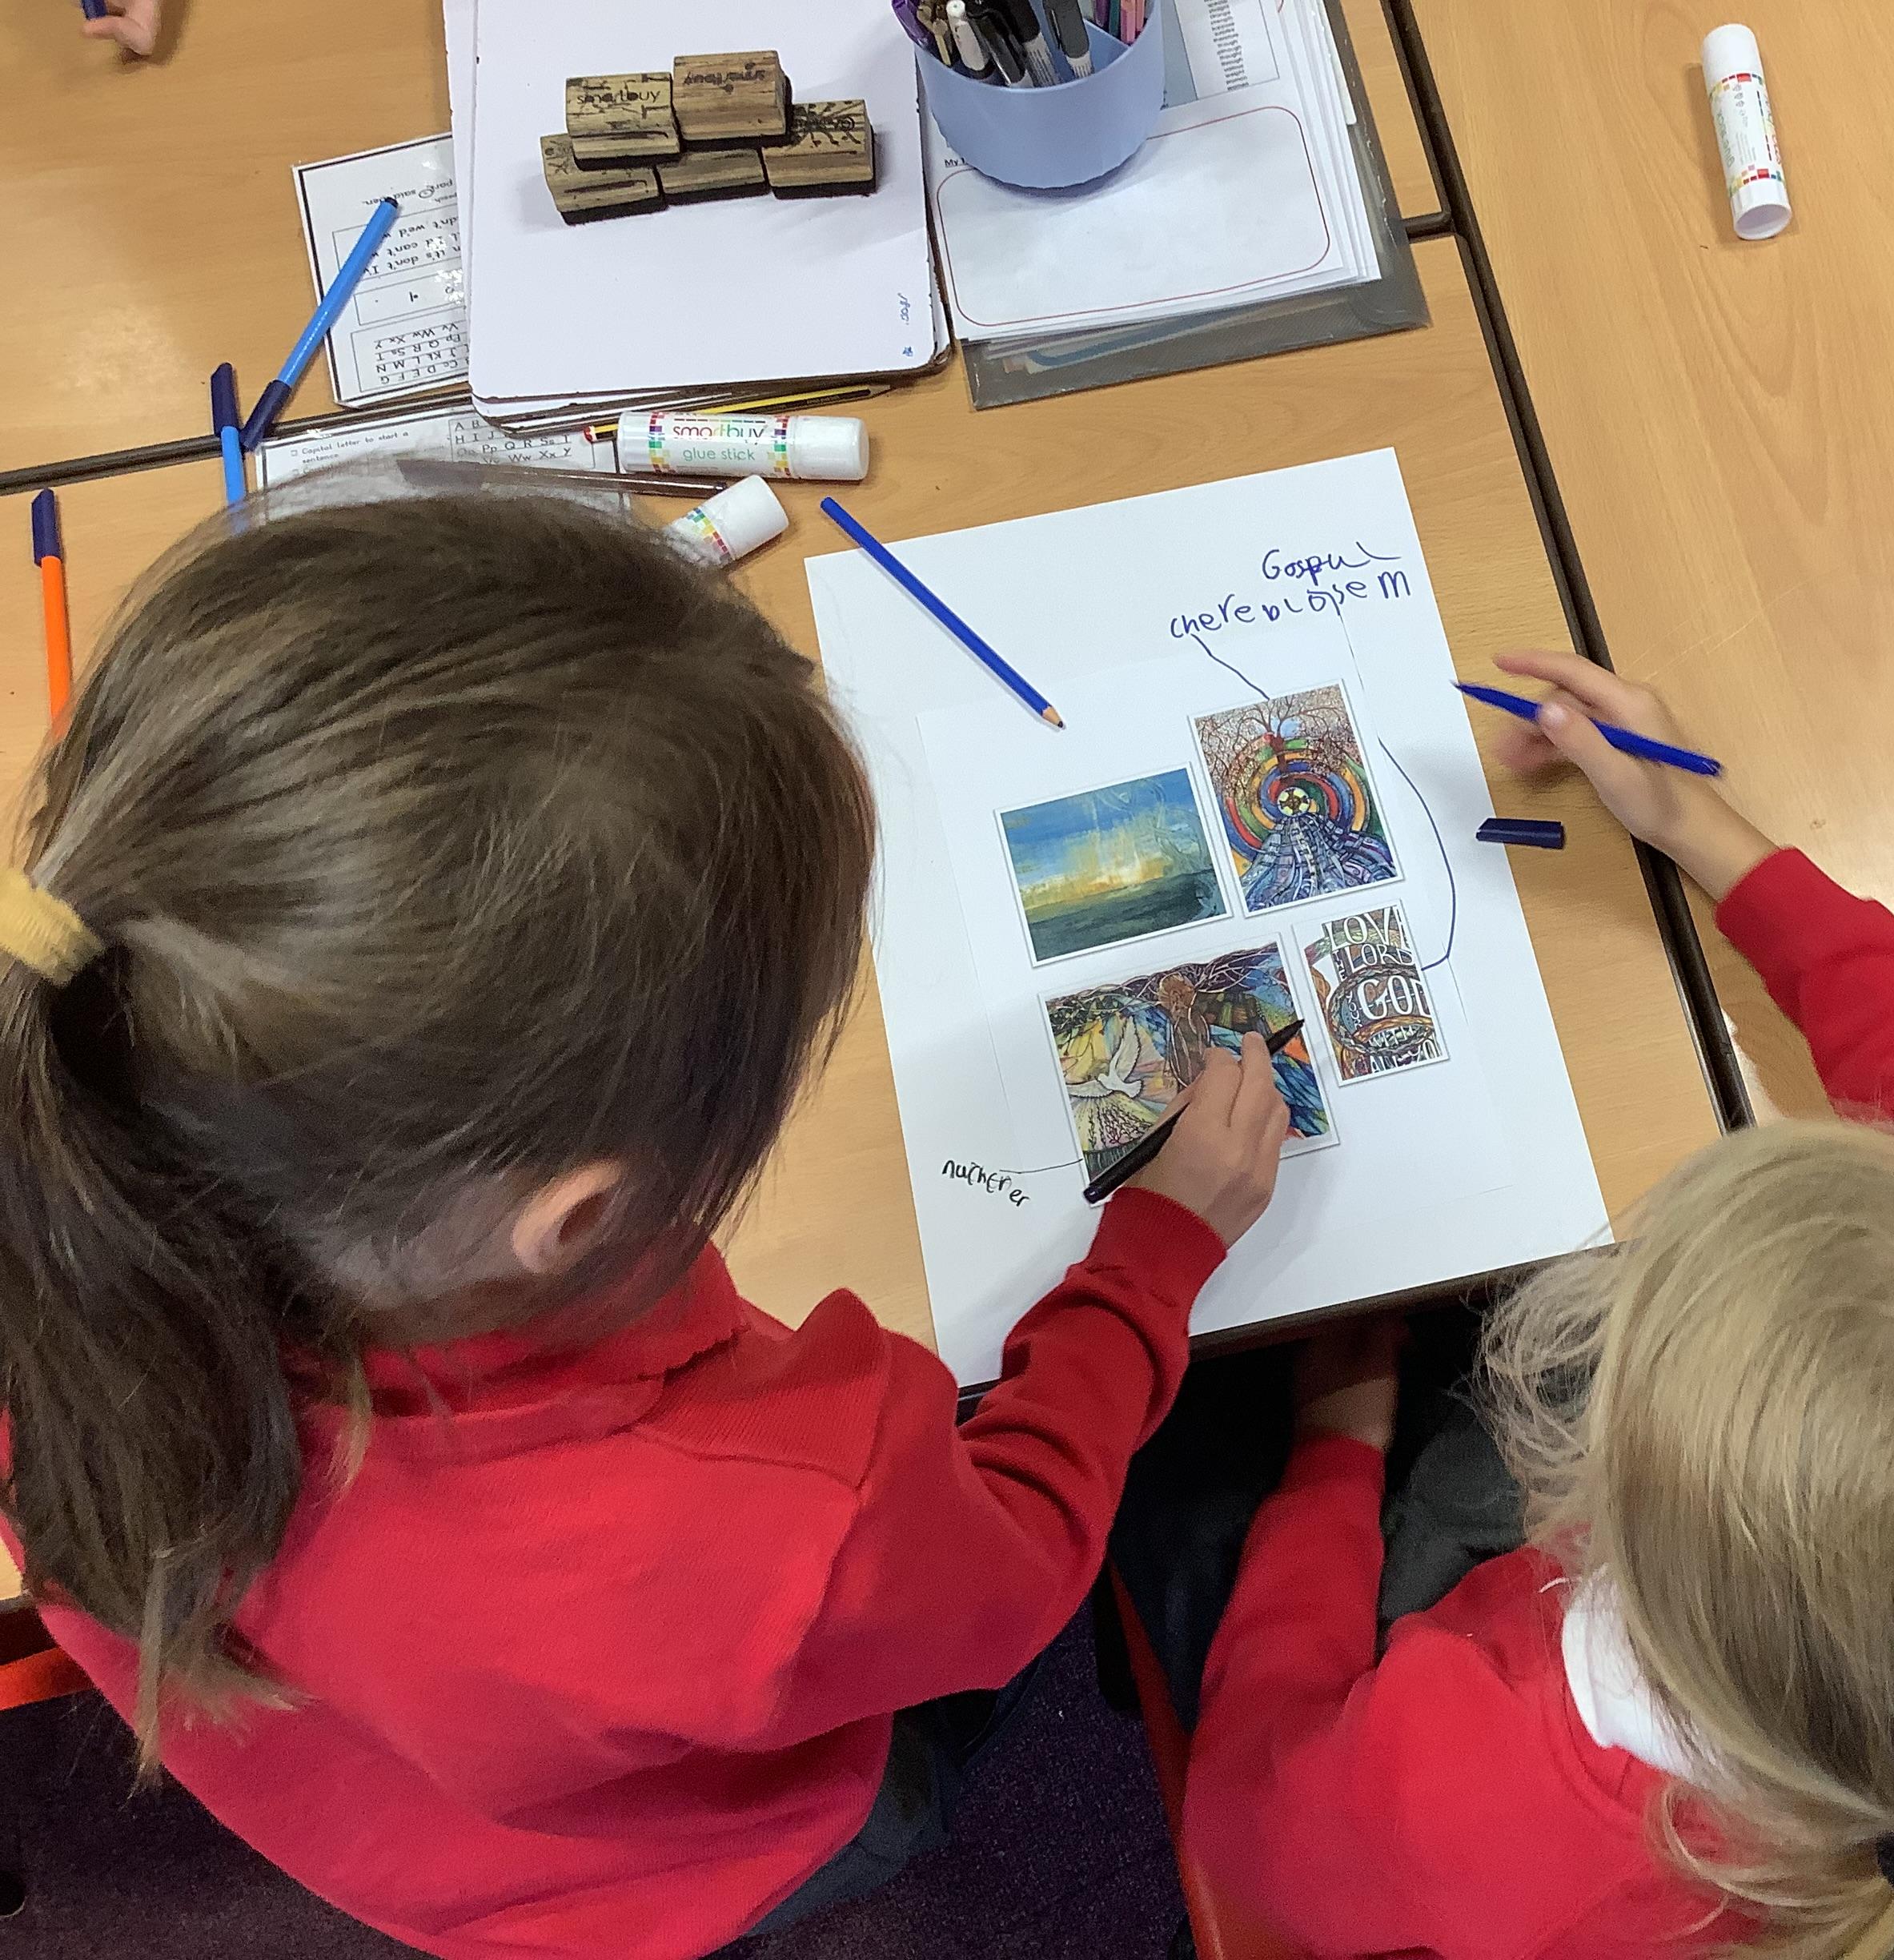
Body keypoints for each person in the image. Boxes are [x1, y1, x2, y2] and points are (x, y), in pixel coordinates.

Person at [0, 491, 1289, 1960]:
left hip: (399, 1828)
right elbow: (1014, 1567)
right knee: (900, 1769)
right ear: (583, 1212)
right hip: (690, 1853)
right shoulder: (777, 1514)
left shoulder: (54, 1166)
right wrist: (1152, 1259)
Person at [1166, 650, 1894, 1960]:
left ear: (1605, 1486)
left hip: (1432, 1760)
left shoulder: (1451, 1787)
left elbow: (1246, 1823)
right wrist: (1696, 824)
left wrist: (1331, 1450)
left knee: (1187, 1491)